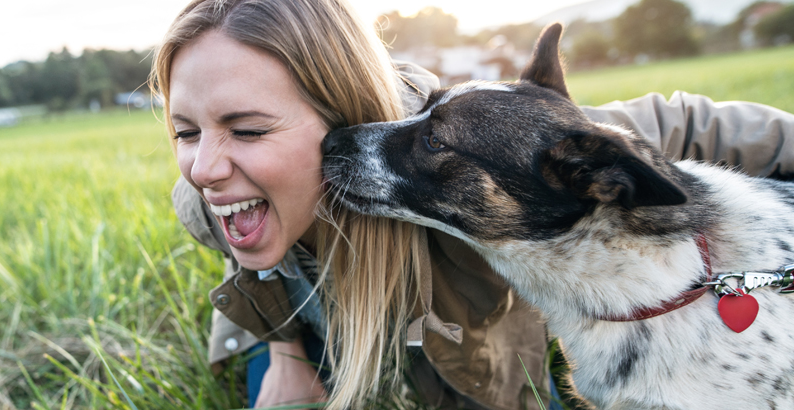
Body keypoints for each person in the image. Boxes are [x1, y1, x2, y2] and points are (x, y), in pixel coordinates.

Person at [149, 0, 794, 409]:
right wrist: (285, 358)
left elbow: (685, 121)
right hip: (334, 332)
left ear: (338, 112)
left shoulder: (509, 141)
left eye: (250, 129)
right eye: (185, 131)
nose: (204, 167)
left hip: (479, 354)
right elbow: (256, 272)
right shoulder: (209, 201)